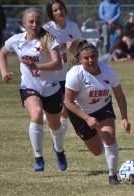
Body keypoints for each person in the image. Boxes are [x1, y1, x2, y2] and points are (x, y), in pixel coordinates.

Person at [0, 8, 68, 172]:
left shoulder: (48, 39)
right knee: (36, 113)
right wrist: (4, 73)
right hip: (29, 87)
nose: (35, 24)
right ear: (24, 23)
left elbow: (57, 64)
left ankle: (58, 150)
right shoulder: (16, 40)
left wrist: (36, 65)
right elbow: (2, 54)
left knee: (55, 126)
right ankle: (38, 157)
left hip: (51, 89)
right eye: (31, 21)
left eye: (37, 21)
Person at [64, 39, 131, 185]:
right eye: (86, 58)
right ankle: (103, 147)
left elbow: (119, 95)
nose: (90, 60)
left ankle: (112, 176)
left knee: (109, 136)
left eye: (93, 56)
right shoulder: (75, 75)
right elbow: (68, 102)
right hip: (79, 113)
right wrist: (87, 118)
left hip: (103, 108)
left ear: (98, 56)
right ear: (79, 60)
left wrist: (124, 118)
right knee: (96, 151)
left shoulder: (108, 71)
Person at [44, 0, 82, 132]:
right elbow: (41, 50)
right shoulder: (47, 29)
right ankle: (48, 120)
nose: (59, 12)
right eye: (55, 10)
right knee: (55, 109)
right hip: (53, 74)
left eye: (60, 8)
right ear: (51, 14)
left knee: (66, 106)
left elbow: (79, 47)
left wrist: (74, 45)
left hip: (68, 72)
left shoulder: (72, 26)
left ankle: (59, 138)